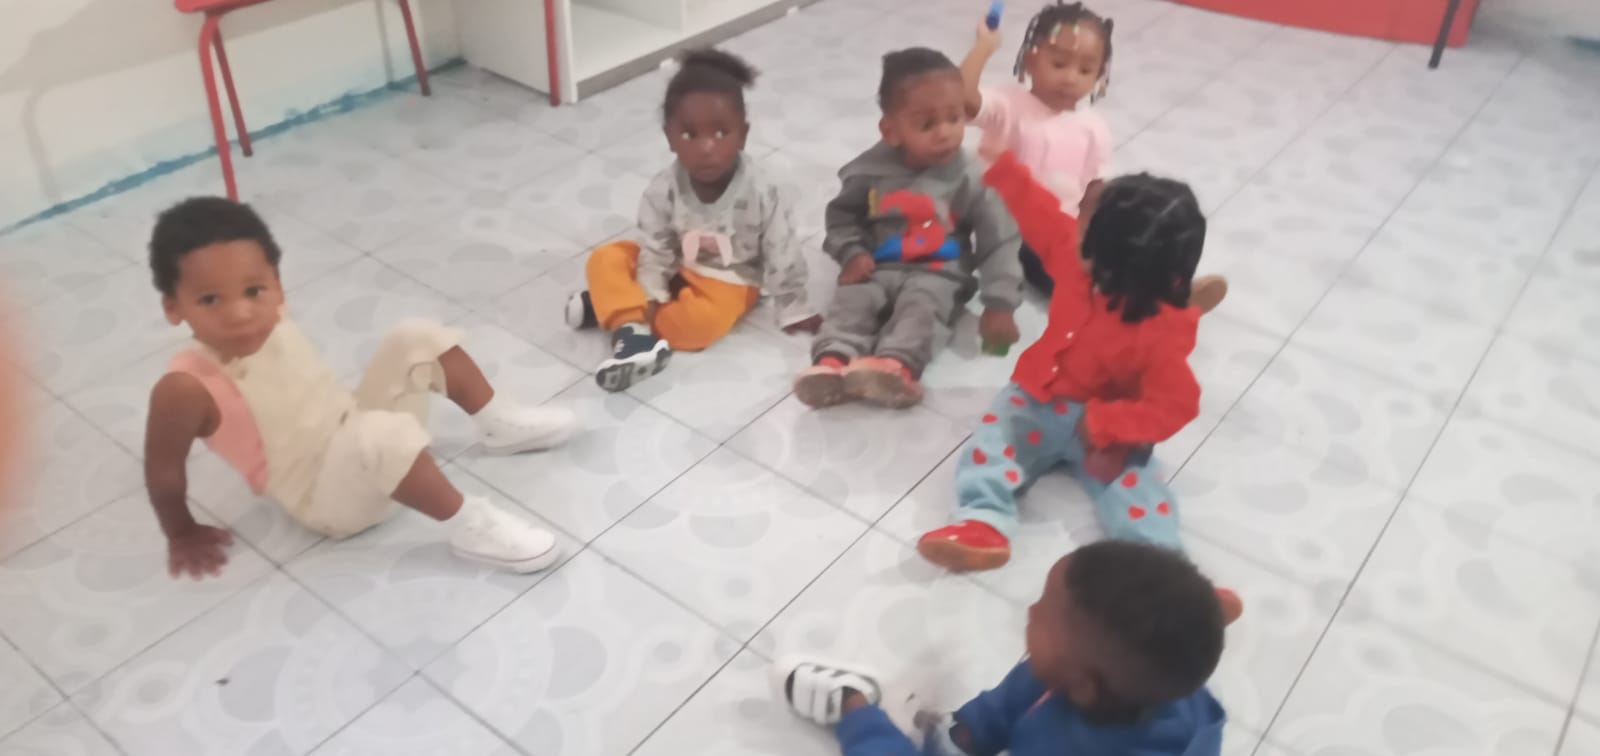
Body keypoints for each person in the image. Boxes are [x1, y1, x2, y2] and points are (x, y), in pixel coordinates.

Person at [144, 197, 575, 579]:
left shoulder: (270, 315)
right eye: (210, 300)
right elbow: (162, 467)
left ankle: (498, 423)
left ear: (277, 284)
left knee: (415, 337)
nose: (240, 312)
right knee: (380, 437)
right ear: (173, 307)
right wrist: (180, 532)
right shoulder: (187, 387)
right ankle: (471, 525)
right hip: (323, 498)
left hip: (354, 425)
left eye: (254, 290)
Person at [918, 149, 1210, 572]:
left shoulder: (1163, 331)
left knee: (1136, 487)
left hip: (1109, 427)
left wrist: (1107, 424)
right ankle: (982, 523)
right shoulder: (1076, 261)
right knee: (992, 444)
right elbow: (1040, 216)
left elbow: (1176, 404)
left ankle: (1167, 567)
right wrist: (1003, 167)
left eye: (1090, 225)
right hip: (1035, 398)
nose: (1077, 227)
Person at [776, 540, 1236, 756]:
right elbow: (1017, 696)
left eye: (1045, 613)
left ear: (1085, 686)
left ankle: (855, 707)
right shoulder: (1132, 677)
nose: (1031, 611)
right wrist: (963, 736)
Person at [566, 48, 819, 392]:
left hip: (731, 279)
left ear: (743, 135)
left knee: (700, 326)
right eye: (689, 135)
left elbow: (782, 249)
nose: (706, 148)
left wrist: (794, 306)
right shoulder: (663, 189)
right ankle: (633, 333)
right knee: (606, 258)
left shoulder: (761, 191)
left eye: (721, 133)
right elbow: (655, 248)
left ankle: (616, 310)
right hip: (674, 266)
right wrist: (652, 291)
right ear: (669, 137)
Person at [794, 48, 1023, 410]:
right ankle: (832, 362)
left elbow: (1000, 239)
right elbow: (842, 217)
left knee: (921, 309)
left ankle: (895, 367)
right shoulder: (869, 172)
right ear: (891, 131)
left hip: (938, 271)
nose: (945, 133)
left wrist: (1001, 302)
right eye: (927, 124)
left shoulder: (972, 176)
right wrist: (852, 253)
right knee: (852, 302)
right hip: (876, 265)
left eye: (954, 118)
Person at [961, 1, 1227, 309]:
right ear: (1031, 60)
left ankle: (1171, 289)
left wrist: (1090, 235)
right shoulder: (1008, 103)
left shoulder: (1093, 127)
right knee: (1063, 273)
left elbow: (1094, 191)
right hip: (1014, 229)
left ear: (1099, 75)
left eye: (1085, 70)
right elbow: (961, 100)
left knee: (1130, 237)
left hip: (1069, 226)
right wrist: (983, 48)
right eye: (1059, 63)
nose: (1070, 77)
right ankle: (1130, 304)